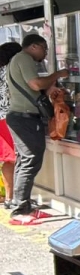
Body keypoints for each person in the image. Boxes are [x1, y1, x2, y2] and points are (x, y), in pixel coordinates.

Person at [5, 34, 68, 217]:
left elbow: (32, 87)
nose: (45, 53)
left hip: (20, 117)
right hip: (24, 118)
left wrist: (48, 89)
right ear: (33, 46)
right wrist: (57, 74)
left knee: (25, 159)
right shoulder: (24, 58)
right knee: (30, 159)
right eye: (44, 48)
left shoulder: (17, 60)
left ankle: (20, 202)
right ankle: (20, 208)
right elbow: (34, 84)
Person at [0, 42, 22, 208]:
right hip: (7, 118)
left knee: (8, 159)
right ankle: (10, 197)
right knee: (12, 159)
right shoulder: (9, 72)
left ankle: (9, 196)